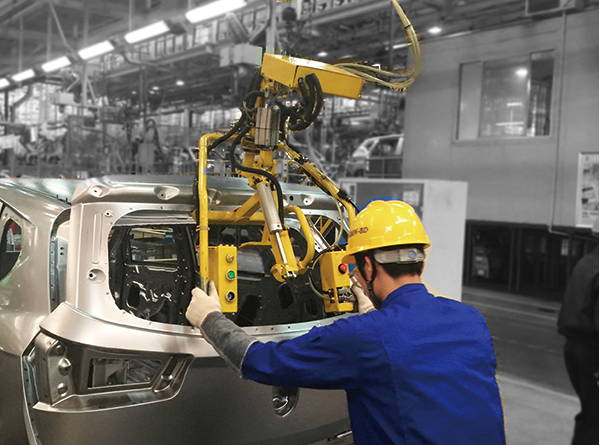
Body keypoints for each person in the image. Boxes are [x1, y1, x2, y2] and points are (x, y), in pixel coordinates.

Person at [186, 200, 506, 444]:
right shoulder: (471, 320)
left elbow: (258, 361)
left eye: (356, 268)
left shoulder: (363, 336)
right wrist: (373, 316)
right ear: (419, 261)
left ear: (368, 266)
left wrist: (209, 317)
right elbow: (420, 370)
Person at [557, 220, 599, 445]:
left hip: (574, 349)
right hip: (592, 353)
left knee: (591, 413)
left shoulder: (587, 262)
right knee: (595, 418)